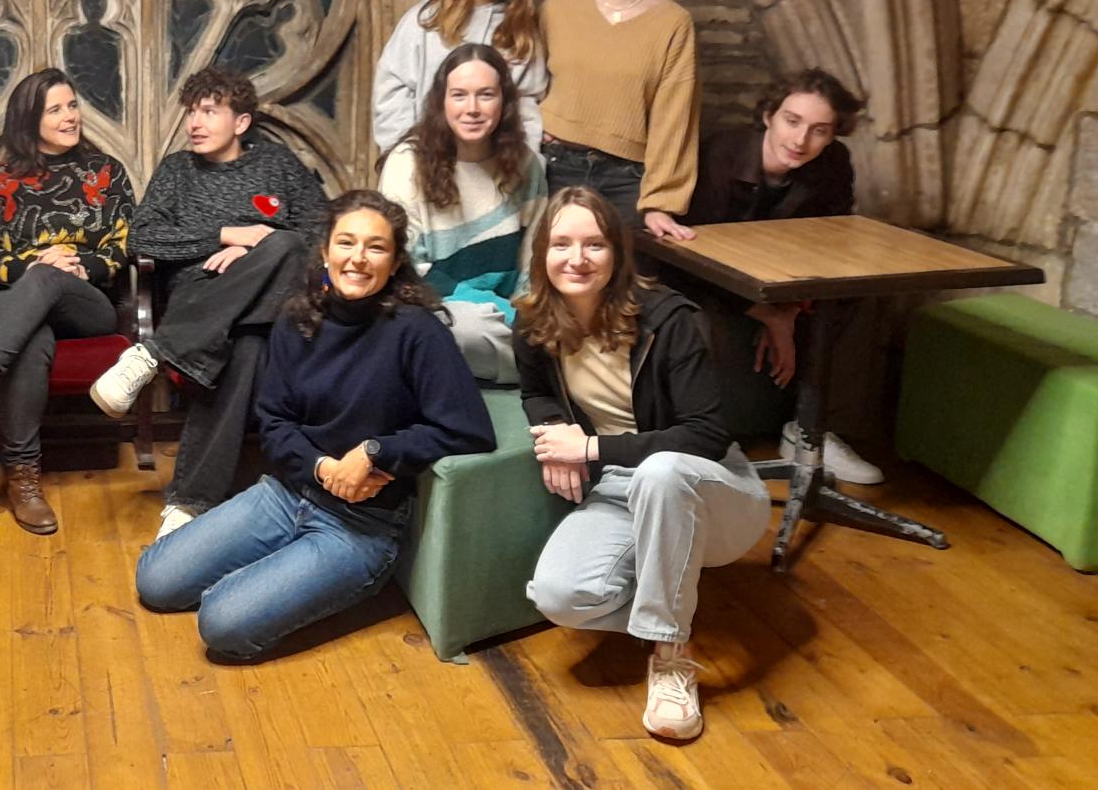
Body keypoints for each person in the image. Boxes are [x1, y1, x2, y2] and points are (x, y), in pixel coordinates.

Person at [135, 191, 494, 661]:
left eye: (376, 247)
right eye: (346, 242)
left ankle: (286, 579)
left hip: (361, 523)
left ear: (395, 263)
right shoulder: (297, 318)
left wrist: (375, 451)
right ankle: (275, 570)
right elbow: (274, 420)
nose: (358, 258)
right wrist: (323, 468)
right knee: (156, 582)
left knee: (221, 624)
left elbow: (468, 429)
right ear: (325, 251)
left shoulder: (417, 330)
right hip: (287, 492)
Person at [515, 187, 769, 742]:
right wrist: (554, 429)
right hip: (621, 487)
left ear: (618, 253)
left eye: (594, 244)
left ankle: (670, 650)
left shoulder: (668, 318)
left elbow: (705, 435)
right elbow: (535, 391)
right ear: (542, 254)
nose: (577, 259)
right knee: (560, 598)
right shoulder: (534, 321)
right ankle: (676, 590)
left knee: (662, 471)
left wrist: (587, 449)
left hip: (712, 489)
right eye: (561, 244)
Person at [88, 66, 324, 539]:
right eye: (192, 112)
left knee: (284, 246)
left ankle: (155, 355)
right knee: (246, 347)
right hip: (201, 295)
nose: (195, 122)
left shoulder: (277, 164)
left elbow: (321, 228)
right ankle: (191, 504)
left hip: (273, 299)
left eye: (209, 112)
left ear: (241, 122)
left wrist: (258, 246)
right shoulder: (177, 171)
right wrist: (225, 235)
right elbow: (142, 239)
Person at [0, 69, 134, 535]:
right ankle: (23, 478)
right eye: (55, 109)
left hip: (86, 304)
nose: (69, 116)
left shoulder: (106, 172)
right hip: (17, 302)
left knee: (48, 277)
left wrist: (78, 266)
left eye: (72, 105)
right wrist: (34, 267)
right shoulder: (2, 180)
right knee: (31, 336)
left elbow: (122, 246)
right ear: (29, 119)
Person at [683, 67, 882, 484]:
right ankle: (704, 440)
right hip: (711, 282)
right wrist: (764, 313)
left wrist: (788, 311)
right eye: (792, 121)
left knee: (861, 297)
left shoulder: (833, 164)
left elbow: (830, 246)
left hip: (785, 287)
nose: (800, 140)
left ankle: (814, 432)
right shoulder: (720, 156)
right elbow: (688, 259)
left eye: (819, 130)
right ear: (768, 116)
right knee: (689, 313)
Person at [378, 43, 545, 384]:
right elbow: (407, 269)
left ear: (504, 102)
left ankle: (517, 360)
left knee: (566, 325)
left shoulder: (526, 165)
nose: (472, 109)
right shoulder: (407, 164)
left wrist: (524, 313)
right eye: (459, 95)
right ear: (441, 101)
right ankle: (531, 366)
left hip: (510, 313)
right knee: (463, 330)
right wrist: (491, 309)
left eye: (486, 95)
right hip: (437, 308)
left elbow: (536, 257)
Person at [537, 0, 698, 241]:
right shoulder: (556, 10)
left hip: (628, 181)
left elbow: (674, 116)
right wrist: (532, 123)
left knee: (624, 274)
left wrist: (660, 201)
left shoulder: (672, 22)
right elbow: (523, 82)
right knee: (547, 270)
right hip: (554, 168)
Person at [372, 0, 546, 156]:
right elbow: (392, 86)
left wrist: (522, 162)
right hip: (426, 157)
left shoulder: (519, 30)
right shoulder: (428, 17)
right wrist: (404, 152)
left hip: (492, 165)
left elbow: (527, 103)